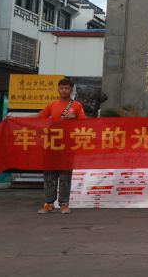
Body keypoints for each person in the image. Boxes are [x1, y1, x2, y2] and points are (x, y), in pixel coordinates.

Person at [38, 78, 85, 214]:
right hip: (51, 143)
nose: (64, 90)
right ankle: (48, 203)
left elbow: (85, 123)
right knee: (49, 175)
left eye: (67, 88)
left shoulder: (77, 105)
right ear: (58, 90)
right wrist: (16, 119)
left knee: (65, 176)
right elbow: (39, 117)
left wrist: (75, 118)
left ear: (71, 90)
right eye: (62, 88)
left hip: (67, 144)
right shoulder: (52, 105)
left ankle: (64, 204)